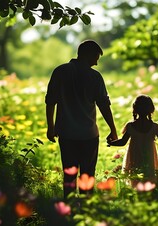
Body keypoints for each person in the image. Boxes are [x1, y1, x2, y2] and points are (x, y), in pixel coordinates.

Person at [45, 40, 118, 198]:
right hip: (88, 135)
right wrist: (113, 129)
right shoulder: (94, 77)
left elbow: (50, 101)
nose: (97, 63)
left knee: (69, 174)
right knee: (87, 175)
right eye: (96, 57)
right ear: (88, 55)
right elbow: (104, 105)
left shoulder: (60, 72)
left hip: (66, 133)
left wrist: (50, 127)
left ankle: (69, 208)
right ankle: (86, 209)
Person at [107, 95, 158, 186]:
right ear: (151, 110)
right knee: (148, 179)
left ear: (135, 109)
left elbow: (122, 142)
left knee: (135, 178)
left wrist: (111, 143)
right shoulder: (155, 127)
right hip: (149, 159)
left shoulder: (130, 126)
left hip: (135, 157)